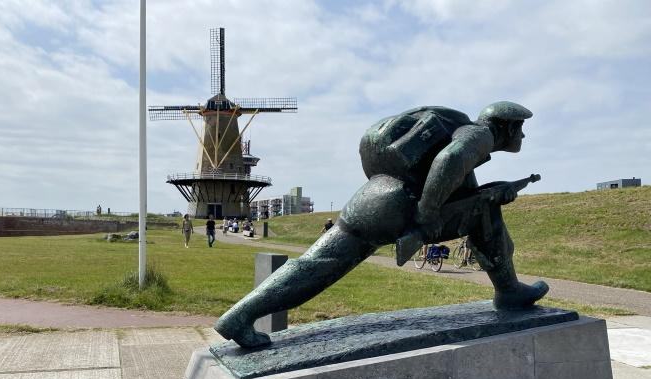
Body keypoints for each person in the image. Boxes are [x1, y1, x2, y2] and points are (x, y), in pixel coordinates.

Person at [215, 101, 549, 348]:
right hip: (402, 204)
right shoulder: (479, 135)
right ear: (505, 126)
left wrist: (492, 192)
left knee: (317, 264)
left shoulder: (455, 126)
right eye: (520, 127)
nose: (523, 134)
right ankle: (507, 292)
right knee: (485, 211)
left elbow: (459, 187)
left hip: (377, 194)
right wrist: (427, 215)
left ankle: (239, 315)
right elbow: (451, 160)